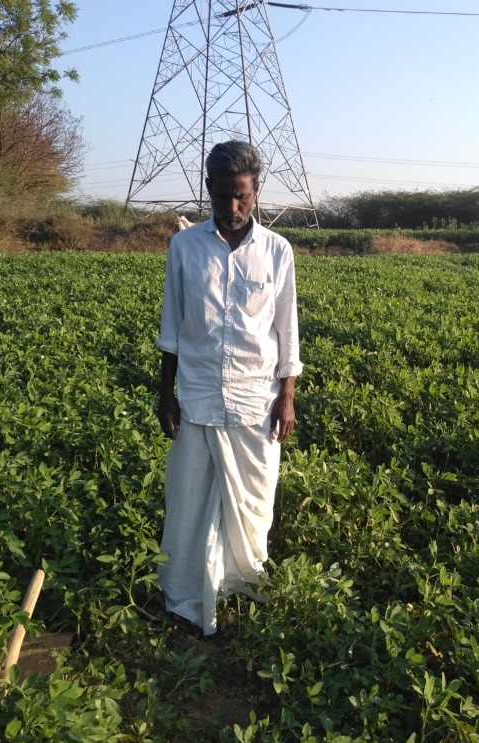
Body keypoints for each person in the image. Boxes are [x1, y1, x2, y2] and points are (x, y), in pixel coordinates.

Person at [155, 140, 302, 637]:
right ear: (209, 191)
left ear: (256, 193)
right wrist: (164, 392)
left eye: (241, 197)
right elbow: (172, 325)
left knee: (255, 502)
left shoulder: (277, 251)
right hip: (196, 395)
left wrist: (287, 395)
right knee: (188, 499)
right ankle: (182, 591)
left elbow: (287, 329)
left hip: (255, 398)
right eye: (222, 197)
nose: (232, 208)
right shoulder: (185, 246)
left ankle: (243, 584)